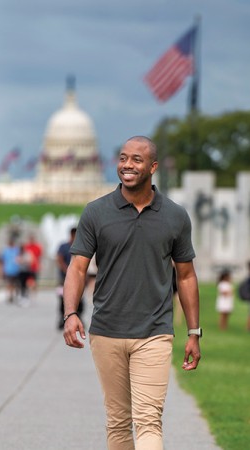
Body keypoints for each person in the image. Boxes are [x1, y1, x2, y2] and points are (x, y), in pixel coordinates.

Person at [62, 136, 201, 450]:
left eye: (136, 159)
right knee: (118, 422)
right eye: (123, 158)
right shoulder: (96, 212)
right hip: (106, 331)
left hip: (154, 332)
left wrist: (194, 332)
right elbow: (77, 268)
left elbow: (187, 276)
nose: (127, 165)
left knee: (149, 419)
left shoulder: (175, 216)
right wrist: (71, 313)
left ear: (152, 167)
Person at [56, 227, 84, 329]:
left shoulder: (82, 246)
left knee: (79, 299)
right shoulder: (64, 247)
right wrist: (68, 271)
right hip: (64, 278)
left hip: (78, 278)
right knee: (63, 299)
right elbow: (59, 259)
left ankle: (78, 317)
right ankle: (62, 318)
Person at [1, 239, 20, 303]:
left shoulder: (17, 250)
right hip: (8, 270)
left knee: (15, 284)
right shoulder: (6, 251)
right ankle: (10, 295)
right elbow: (3, 261)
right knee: (9, 283)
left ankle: (14, 295)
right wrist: (3, 270)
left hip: (16, 269)